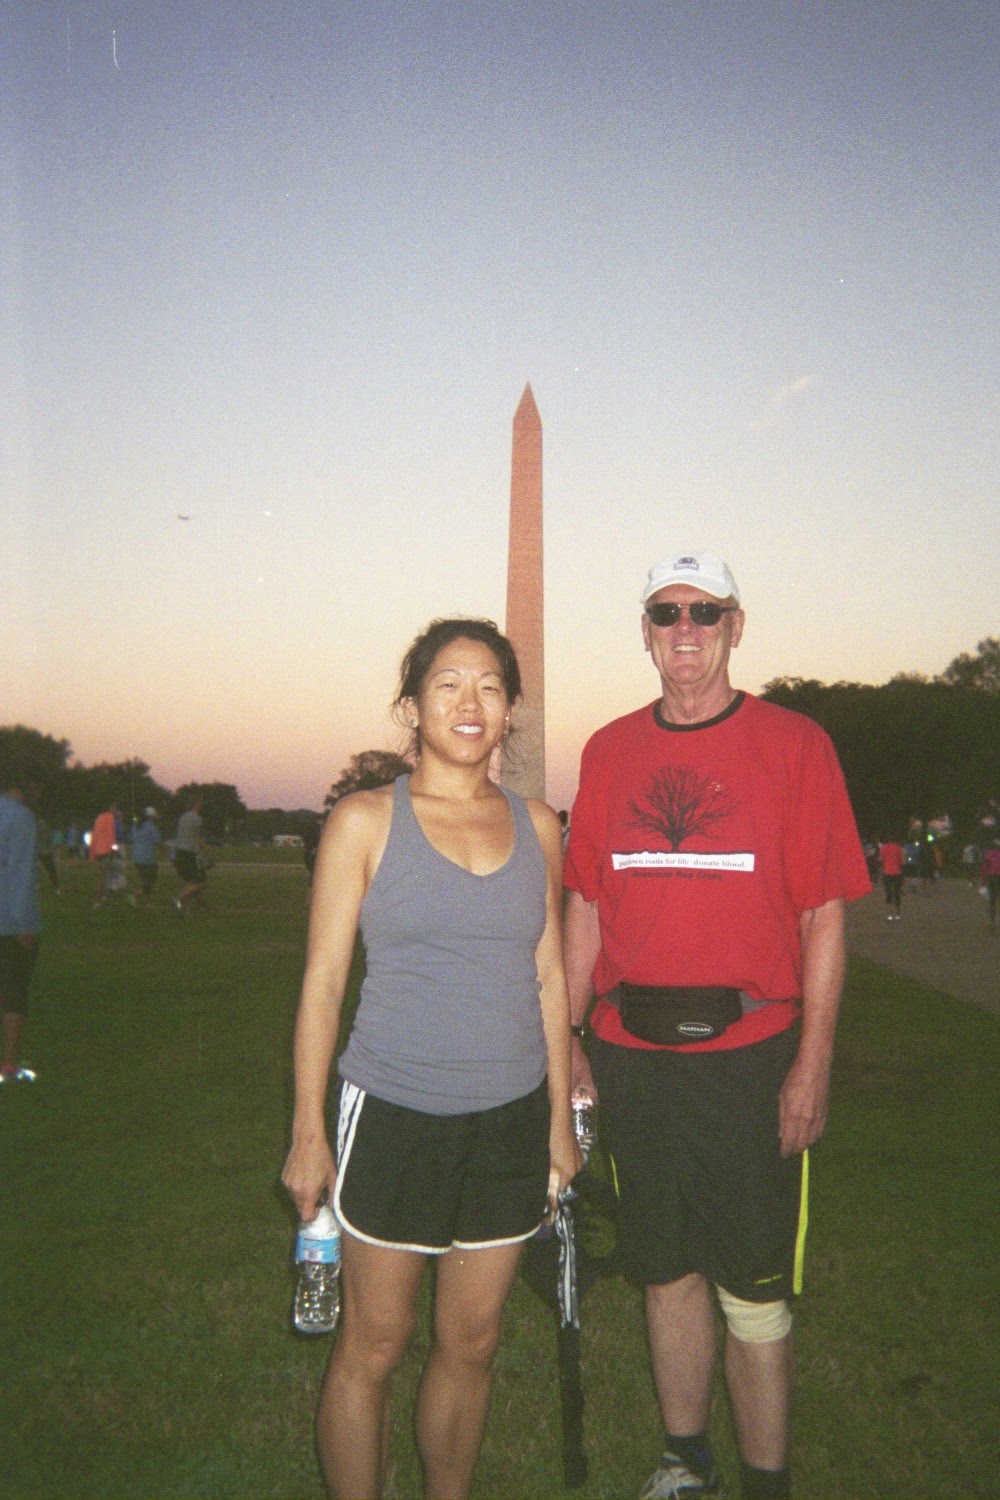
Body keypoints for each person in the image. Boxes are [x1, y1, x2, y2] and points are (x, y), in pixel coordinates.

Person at [563, 552, 870, 1500]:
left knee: (754, 1288)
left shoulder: (795, 744)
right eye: (666, 613)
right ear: (645, 632)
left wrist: (812, 1063)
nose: (685, 628)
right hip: (633, 1056)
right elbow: (586, 907)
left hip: (750, 1056)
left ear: (736, 626)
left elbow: (824, 916)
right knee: (663, 1268)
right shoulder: (609, 751)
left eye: (705, 611)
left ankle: (765, 1481)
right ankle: (684, 1457)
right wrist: (567, 1038)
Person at [282, 618, 579, 1500]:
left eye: (489, 686)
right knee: (375, 1343)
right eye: (447, 683)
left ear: (511, 710)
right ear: (412, 706)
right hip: (393, 1113)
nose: (469, 702)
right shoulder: (364, 821)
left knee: (473, 1342)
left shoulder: (538, 826)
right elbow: (323, 983)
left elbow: (550, 977)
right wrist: (307, 1131)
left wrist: (558, 1124)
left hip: (510, 1119)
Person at [0, 765, 42, 1083]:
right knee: (13, 990)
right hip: (8, 921)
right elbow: (21, 874)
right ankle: (10, 1065)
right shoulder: (22, 818)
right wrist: (25, 923)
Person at [173, 795, 207, 913]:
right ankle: (179, 899)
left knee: (189, 882)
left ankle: (192, 908)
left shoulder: (182, 817)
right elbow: (198, 836)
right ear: (196, 804)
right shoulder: (197, 818)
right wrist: (205, 851)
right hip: (190, 853)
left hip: (179, 851)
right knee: (200, 883)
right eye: (200, 803)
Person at [88, 803, 122, 906]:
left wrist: (92, 853)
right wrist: (115, 849)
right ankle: (98, 900)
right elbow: (111, 836)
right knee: (104, 876)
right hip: (106, 850)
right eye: (114, 808)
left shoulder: (99, 818)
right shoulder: (110, 818)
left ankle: (103, 897)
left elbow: (95, 835)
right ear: (110, 808)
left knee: (103, 875)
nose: (115, 810)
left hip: (98, 850)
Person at [130, 808, 161, 905]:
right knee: (150, 880)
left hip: (136, 856)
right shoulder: (151, 827)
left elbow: (131, 838)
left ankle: (148, 901)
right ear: (151, 817)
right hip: (147, 858)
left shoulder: (135, 826)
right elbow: (157, 841)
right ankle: (135, 895)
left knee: (145, 880)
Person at [879, 838, 904, 921]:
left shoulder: (883, 847)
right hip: (897, 872)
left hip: (886, 872)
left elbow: (882, 860)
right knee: (897, 893)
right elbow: (901, 861)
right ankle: (898, 914)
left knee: (888, 893)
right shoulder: (898, 847)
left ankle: (889, 914)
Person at [980, 838, 1000, 933]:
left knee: (992, 900)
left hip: (993, 878)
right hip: (994, 877)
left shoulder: (989, 854)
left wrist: (983, 879)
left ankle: (992, 922)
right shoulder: (989, 853)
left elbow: (985, 867)